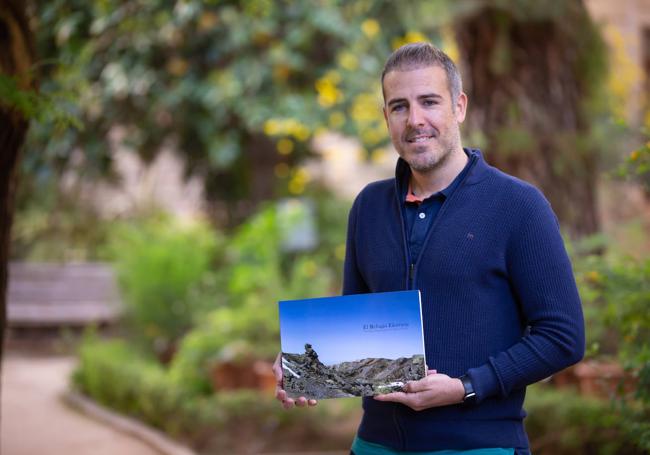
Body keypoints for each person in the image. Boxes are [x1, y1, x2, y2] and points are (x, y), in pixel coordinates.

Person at [273, 42, 585, 455]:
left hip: (479, 446)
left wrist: (465, 388)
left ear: (459, 107)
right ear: (386, 117)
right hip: (376, 444)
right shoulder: (369, 206)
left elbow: (563, 336)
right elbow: (357, 320)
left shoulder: (518, 206)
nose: (415, 120)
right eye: (399, 106)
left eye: (429, 102)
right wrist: (302, 362)